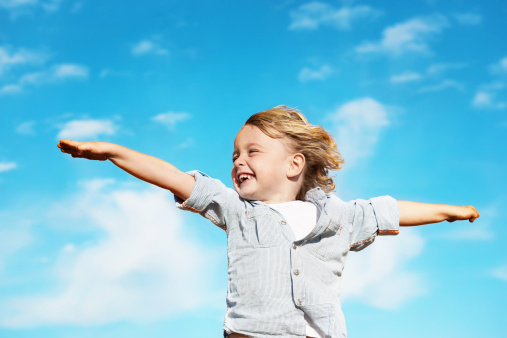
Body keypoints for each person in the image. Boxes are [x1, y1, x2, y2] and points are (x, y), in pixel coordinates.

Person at [57, 105, 479, 338]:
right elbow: (173, 176)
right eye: (235, 155)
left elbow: (389, 211)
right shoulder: (238, 212)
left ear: (295, 163)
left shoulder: (340, 217)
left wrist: (449, 212)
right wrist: (112, 151)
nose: (239, 161)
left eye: (253, 152)